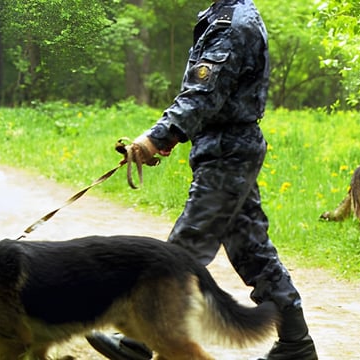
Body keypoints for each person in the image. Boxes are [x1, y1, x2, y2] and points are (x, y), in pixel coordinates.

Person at [86, 1, 318, 359]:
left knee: (182, 249)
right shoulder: (220, 17)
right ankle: (296, 344)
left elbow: (204, 94)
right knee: (252, 249)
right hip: (226, 147)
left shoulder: (231, 23)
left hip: (228, 150)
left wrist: (158, 137)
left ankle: (138, 342)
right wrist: (174, 135)